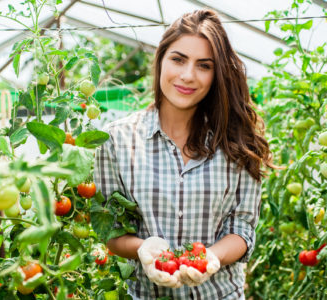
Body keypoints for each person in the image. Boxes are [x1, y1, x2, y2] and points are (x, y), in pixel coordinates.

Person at [94, 9, 273, 300]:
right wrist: (142, 248)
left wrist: (211, 257)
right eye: (178, 59)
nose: (188, 76)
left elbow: (241, 228)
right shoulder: (117, 140)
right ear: (161, 60)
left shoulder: (236, 141)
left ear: (217, 75)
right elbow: (111, 230)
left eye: (204, 66)